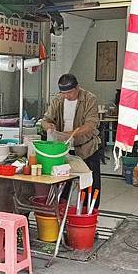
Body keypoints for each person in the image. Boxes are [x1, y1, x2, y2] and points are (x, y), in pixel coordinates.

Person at [42, 74, 101, 208]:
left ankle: (89, 214)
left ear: (77, 88)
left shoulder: (89, 99)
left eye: (70, 92)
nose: (67, 96)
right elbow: (45, 120)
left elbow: (90, 125)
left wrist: (67, 134)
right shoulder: (58, 100)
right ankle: (61, 212)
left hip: (86, 148)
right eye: (63, 93)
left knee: (90, 184)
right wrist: (49, 127)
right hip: (64, 150)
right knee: (63, 183)